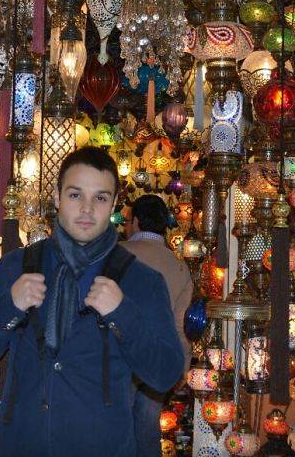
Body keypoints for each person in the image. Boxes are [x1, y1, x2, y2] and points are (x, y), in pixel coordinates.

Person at [0, 147, 184, 456]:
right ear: (56, 196)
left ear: (115, 205)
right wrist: (10, 304)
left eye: (100, 198)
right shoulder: (17, 266)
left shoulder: (140, 280)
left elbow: (165, 373)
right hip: (22, 444)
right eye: (76, 195)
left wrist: (122, 314)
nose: (87, 209)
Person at [121, 194, 193, 457]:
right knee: (147, 430)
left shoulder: (118, 255)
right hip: (158, 360)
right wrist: (181, 367)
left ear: (136, 221)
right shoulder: (179, 266)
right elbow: (180, 325)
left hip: (120, 358)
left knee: (117, 431)